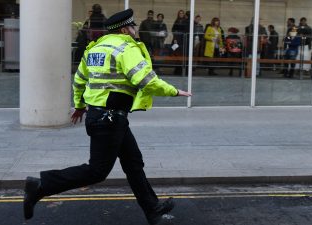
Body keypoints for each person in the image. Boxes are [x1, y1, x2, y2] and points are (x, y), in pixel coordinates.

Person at [23, 8, 192, 225]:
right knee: (97, 171)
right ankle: (40, 185)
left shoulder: (95, 48)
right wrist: (174, 91)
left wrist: (80, 105)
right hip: (110, 118)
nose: (135, 30)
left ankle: (153, 210)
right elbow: (146, 80)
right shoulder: (125, 48)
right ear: (124, 29)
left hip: (103, 116)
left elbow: (79, 80)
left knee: (133, 162)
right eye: (133, 26)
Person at [171, 10, 188, 75]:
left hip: (183, 39)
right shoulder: (176, 21)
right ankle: (177, 69)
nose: (181, 14)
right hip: (177, 39)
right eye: (180, 13)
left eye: (182, 13)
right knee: (176, 54)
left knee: (182, 54)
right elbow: (173, 30)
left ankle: (181, 70)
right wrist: (175, 38)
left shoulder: (185, 21)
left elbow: (186, 30)